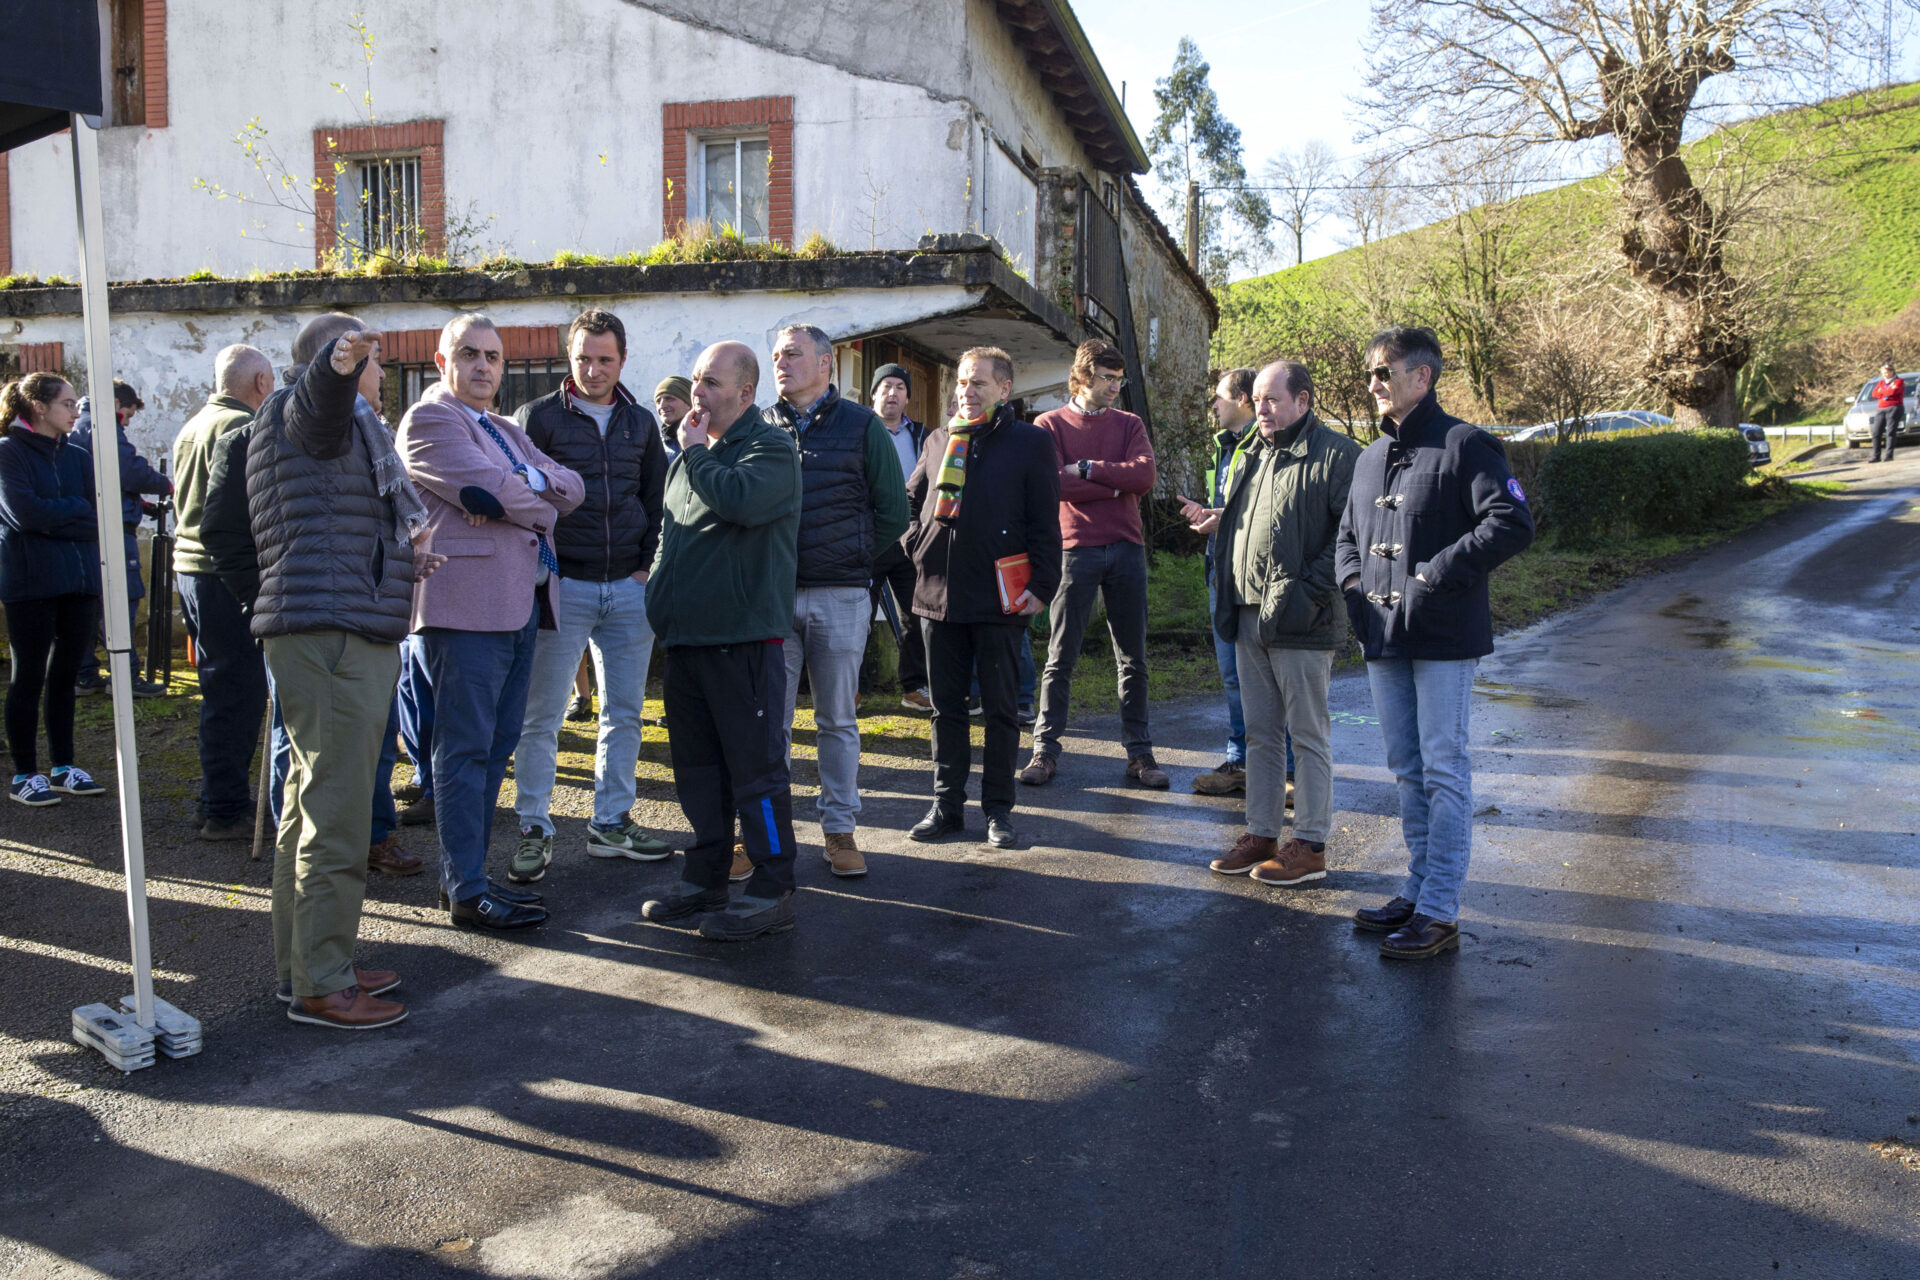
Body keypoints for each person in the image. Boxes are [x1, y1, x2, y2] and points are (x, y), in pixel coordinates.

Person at [244, 314, 444, 1029]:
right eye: (374, 361)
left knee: (309, 808)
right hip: (333, 636)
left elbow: (334, 527)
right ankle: (323, 985)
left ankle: (306, 966)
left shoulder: (329, 432)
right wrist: (338, 362)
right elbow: (319, 404)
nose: (382, 373)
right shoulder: (306, 410)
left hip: (327, 626)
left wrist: (403, 561)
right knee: (336, 813)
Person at [1338, 326, 1534, 960]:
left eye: (1384, 372)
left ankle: (1440, 909)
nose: (1373, 383)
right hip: (1382, 635)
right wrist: (1354, 588)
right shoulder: (1370, 457)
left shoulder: (1466, 444)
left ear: (1422, 376)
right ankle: (1418, 888)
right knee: (1406, 768)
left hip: (1443, 634)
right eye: (1370, 372)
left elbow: (1511, 521)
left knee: (1443, 768)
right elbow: (1347, 537)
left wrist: (1432, 576)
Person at [400, 313, 583, 930]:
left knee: (497, 747)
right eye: (469, 354)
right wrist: (535, 503)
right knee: (463, 752)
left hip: (520, 606)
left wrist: (525, 485)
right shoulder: (430, 419)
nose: (483, 366)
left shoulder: (504, 428)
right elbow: (490, 492)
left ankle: (469, 877)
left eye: (493, 357)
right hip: (464, 611)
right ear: (441, 361)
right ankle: (466, 889)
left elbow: (573, 489)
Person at [638, 340, 804, 940]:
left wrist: (693, 454)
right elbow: (669, 535)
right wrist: (660, 597)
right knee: (698, 771)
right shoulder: (690, 459)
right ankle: (705, 877)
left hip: (743, 640)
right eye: (696, 380)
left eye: (711, 382)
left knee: (755, 772)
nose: (697, 393)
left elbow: (739, 501)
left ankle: (772, 885)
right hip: (686, 641)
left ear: (746, 392)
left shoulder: (771, 448)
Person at [508, 308, 673, 883]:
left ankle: (611, 823)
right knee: (542, 716)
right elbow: (519, 500)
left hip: (629, 588)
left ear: (622, 360)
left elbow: (656, 501)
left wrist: (646, 569)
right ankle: (534, 827)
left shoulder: (641, 423)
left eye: (605, 359)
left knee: (624, 714)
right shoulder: (537, 418)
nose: (594, 369)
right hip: (564, 586)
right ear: (569, 357)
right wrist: (542, 573)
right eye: (584, 358)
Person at [1204, 360, 1360, 888]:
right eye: (1257, 400)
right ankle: (1261, 834)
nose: (1262, 409)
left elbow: (1349, 537)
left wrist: (1303, 593)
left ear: (1304, 400)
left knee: (1308, 735)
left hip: (1302, 617)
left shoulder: (1337, 455)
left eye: (1272, 399)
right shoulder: (1252, 450)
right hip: (1248, 612)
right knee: (1261, 734)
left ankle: (1310, 845)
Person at [766, 325, 909, 878]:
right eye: (776, 355)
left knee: (838, 721)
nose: (781, 363)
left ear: (825, 363)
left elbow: (893, 512)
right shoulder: (759, 424)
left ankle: (840, 828)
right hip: (773, 598)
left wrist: (854, 560)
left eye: (792, 354)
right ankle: (764, 832)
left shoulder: (862, 425)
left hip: (842, 595)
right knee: (768, 723)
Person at [906, 347, 1061, 850]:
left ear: (1004, 389)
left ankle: (997, 810)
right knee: (945, 710)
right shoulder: (938, 439)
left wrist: (1043, 584)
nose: (966, 391)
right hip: (938, 594)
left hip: (999, 597)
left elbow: (1045, 519)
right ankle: (946, 806)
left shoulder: (1030, 442)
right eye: (961, 382)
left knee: (999, 711)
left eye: (977, 383)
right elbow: (910, 501)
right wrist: (916, 545)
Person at [1021, 340, 1165, 789]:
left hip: (1126, 548)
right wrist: (1116, 484)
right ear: (1082, 377)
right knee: (1060, 657)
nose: (1115, 387)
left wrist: (1086, 469)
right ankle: (1044, 751)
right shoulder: (1048, 425)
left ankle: (1140, 755)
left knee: (1133, 659)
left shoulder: (1130, 423)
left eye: (1119, 379)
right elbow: (1052, 486)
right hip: (1074, 549)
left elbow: (1144, 476)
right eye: (1107, 378)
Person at [172, 345, 275, 840]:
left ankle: (215, 798)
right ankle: (226, 807)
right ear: (261, 383)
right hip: (223, 574)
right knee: (237, 693)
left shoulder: (193, 424)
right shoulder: (240, 427)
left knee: (219, 688)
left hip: (192, 569)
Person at [0, 373, 108, 806]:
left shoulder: (78, 456)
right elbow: (23, 514)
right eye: (67, 403)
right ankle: (25, 774)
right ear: (39, 407)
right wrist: (74, 512)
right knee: (28, 676)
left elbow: (101, 517)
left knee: (65, 677)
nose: (75, 411)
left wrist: (59, 520)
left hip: (79, 581)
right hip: (30, 583)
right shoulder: (7, 452)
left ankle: (64, 766)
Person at [1182, 367, 1255, 797]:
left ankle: (1285, 770)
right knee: (1231, 675)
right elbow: (1230, 506)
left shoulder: (1266, 444)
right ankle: (1239, 762)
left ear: (1242, 399)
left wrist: (1224, 520)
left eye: (1220, 396)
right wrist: (1208, 514)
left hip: (1252, 576)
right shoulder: (1225, 446)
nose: (1213, 404)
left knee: (1263, 677)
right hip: (1219, 570)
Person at [72, 380, 171, 699]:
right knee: (122, 601)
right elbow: (128, 470)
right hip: (112, 532)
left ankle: (84, 674)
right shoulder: (102, 425)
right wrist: (165, 485)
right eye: (127, 415)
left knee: (91, 604)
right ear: (115, 404)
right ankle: (124, 677)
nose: (126, 423)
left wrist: (140, 504)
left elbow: (103, 480)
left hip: (89, 529)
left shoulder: (79, 426)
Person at [869, 362, 930, 711]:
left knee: (916, 614)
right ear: (874, 394)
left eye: (899, 387)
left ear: (907, 397)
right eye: (886, 386)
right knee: (859, 616)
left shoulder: (921, 435)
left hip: (910, 539)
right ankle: (852, 689)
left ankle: (913, 687)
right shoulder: (860, 431)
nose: (892, 393)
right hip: (871, 537)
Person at [1869, 363, 1904, 463]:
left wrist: (1883, 392)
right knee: (1876, 432)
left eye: (1888, 372)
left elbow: (1893, 392)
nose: (1886, 374)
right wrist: (1886, 391)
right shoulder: (1881, 383)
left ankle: (1889, 455)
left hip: (1894, 407)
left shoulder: (1899, 381)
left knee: (1890, 431)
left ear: (1892, 372)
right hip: (1881, 408)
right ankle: (1876, 456)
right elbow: (1874, 393)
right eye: (1884, 372)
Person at [654, 375, 692, 459]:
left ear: (688, 404)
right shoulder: (655, 446)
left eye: (669, 399)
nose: (662, 406)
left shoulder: (706, 440)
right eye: (658, 401)